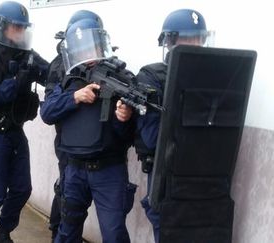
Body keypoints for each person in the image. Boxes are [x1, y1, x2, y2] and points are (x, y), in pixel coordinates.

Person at [40, 17, 137, 243]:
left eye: (91, 46)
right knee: (67, 232)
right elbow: (47, 113)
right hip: (74, 168)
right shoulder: (67, 78)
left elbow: (130, 134)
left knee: (114, 234)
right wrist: (75, 96)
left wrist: (125, 116)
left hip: (109, 169)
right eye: (81, 47)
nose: (87, 53)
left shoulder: (120, 77)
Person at [0, 1, 48, 242]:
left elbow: (49, 73)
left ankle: (4, 232)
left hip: (14, 129)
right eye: (15, 27)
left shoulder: (26, 54)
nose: (20, 32)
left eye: (23, 28)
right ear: (2, 27)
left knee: (22, 188)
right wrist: (17, 81)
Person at [134, 9, 211, 243]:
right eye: (186, 40)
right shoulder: (151, 76)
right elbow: (152, 136)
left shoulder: (212, 72)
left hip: (200, 173)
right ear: (169, 42)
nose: (193, 46)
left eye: (197, 40)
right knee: (168, 229)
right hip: (166, 173)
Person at [44, 10, 104, 242]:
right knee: (66, 194)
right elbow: (49, 108)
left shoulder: (103, 58)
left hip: (97, 143)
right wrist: (75, 97)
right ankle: (56, 232)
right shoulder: (60, 65)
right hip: (68, 142)